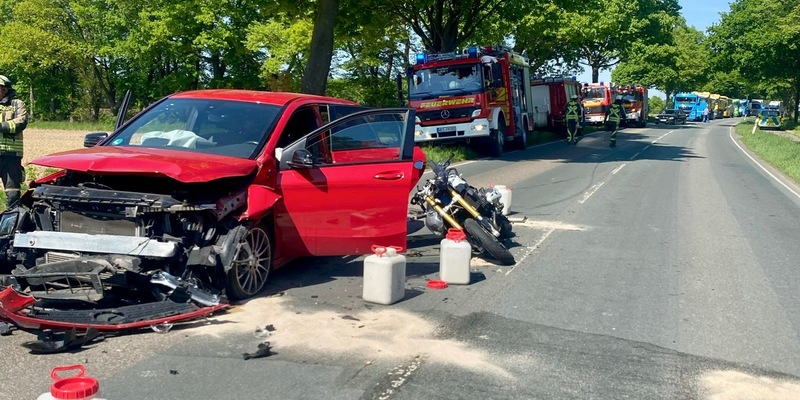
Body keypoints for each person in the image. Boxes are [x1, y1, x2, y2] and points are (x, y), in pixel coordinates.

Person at [0, 75, 28, 208]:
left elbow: (20, 122)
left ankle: (13, 221)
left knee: (12, 193)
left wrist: (1, 126)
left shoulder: (17, 104)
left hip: (11, 155)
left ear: (5, 90)